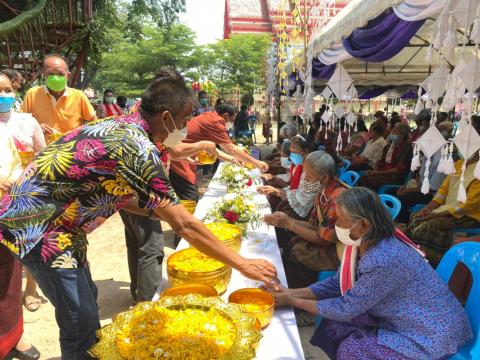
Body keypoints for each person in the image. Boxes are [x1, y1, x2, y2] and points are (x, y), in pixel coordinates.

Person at [0, 75, 277, 359]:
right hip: (38, 227)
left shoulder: (133, 124)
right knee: (79, 320)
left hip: (63, 227)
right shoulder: (134, 145)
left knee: (86, 302)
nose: (183, 129)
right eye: (183, 122)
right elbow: (183, 223)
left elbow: (126, 190)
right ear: (166, 117)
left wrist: (157, 205)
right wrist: (243, 264)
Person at [267, 187, 472, 360]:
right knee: (336, 321)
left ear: (363, 224)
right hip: (409, 316)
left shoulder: (383, 257)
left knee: (350, 346)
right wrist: (291, 293)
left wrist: (291, 300)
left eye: (340, 220)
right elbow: (336, 284)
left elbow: (344, 309)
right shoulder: (361, 243)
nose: (335, 226)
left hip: (430, 333)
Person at [0, 71, 47, 312]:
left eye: (8, 90)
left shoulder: (27, 121)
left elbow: (43, 155)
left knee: (29, 243)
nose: (3, 95)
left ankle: (30, 289)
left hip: (27, 196)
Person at [264, 151, 345, 288]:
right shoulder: (323, 191)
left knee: (297, 252)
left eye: (309, 175)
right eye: (304, 173)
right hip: (327, 239)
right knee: (294, 241)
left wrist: (290, 223)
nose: (305, 178)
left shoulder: (337, 198)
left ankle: (299, 290)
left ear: (324, 178)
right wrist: (287, 221)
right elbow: (312, 224)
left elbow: (323, 240)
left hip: (339, 249)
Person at [408, 122, 480, 265]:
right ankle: (412, 256)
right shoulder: (459, 164)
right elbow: (443, 191)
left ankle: (433, 264)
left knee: (431, 226)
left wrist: (437, 213)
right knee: (417, 216)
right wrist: (429, 207)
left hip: (468, 216)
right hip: (448, 210)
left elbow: (468, 205)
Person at [170, 102, 269, 203]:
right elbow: (232, 149)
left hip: (181, 155)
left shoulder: (209, 116)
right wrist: (257, 163)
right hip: (177, 155)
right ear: (225, 115)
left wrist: (232, 159)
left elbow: (212, 149)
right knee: (190, 197)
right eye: (232, 120)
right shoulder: (216, 121)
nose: (231, 123)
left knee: (187, 195)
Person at [0, 114, 40, 359]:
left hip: (5, 209)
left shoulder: (3, 131)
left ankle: (12, 335)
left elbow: (15, 164)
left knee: (9, 276)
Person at [21, 54, 97, 136]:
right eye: (51, 74)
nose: (55, 78)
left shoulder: (79, 96)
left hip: (70, 147)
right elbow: (22, 122)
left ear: (68, 76)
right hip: (43, 148)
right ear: (44, 75)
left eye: (60, 74)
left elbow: (94, 122)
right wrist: (36, 128)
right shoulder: (32, 94)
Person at [395, 121, 452, 223]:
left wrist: (408, 191)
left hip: (433, 196)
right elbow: (421, 181)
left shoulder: (441, 159)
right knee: (393, 193)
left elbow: (431, 189)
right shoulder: (428, 154)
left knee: (402, 199)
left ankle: (403, 226)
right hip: (423, 190)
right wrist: (407, 187)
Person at [359, 123, 412, 191]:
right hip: (384, 172)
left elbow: (398, 169)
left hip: (395, 177)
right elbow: (381, 161)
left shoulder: (406, 148)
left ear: (402, 135)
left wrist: (377, 173)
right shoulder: (389, 146)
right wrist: (375, 170)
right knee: (363, 177)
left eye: (395, 132)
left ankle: (370, 199)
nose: (392, 133)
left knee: (369, 180)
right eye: (393, 131)